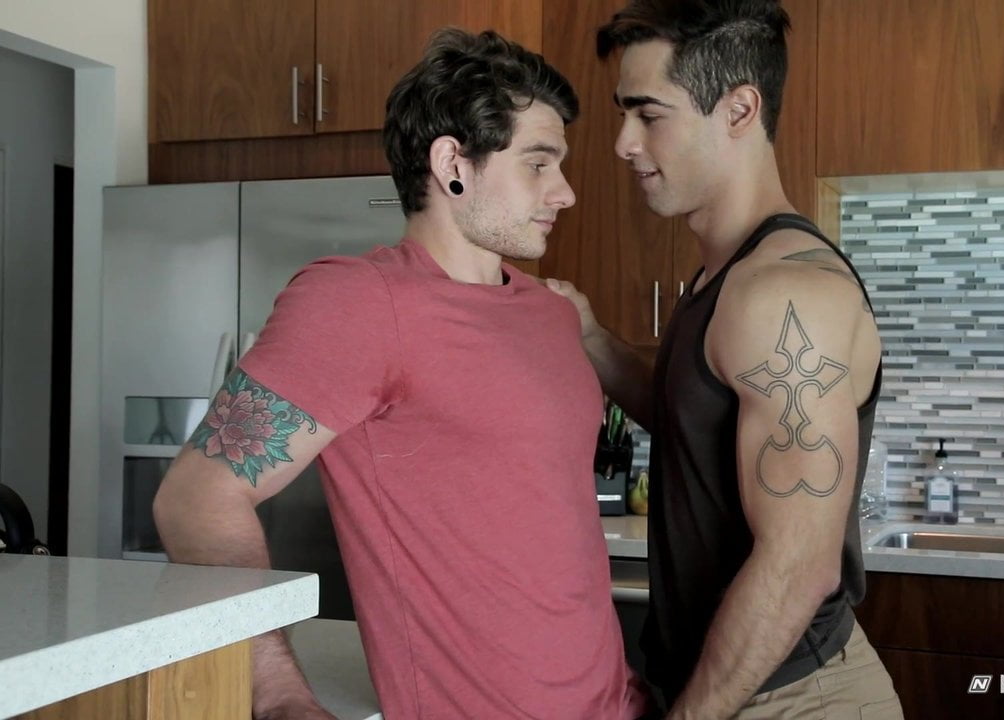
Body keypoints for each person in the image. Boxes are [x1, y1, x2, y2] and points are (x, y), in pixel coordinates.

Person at [154, 28, 647, 720]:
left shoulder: (550, 313)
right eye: (538, 164)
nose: (563, 193)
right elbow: (195, 498)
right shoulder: (358, 304)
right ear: (452, 163)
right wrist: (277, 694)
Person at [546, 1, 905, 718]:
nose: (623, 143)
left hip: (792, 699)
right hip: (736, 683)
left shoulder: (784, 293)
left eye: (649, 115)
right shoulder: (726, 277)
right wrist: (590, 335)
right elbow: (690, 421)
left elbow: (797, 568)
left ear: (739, 109)